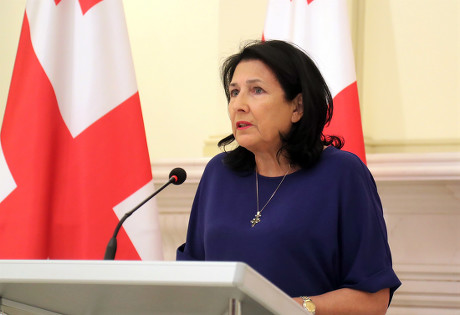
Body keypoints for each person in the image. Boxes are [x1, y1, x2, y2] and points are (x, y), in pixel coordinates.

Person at [177, 40, 401, 314]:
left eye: (256, 90)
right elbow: (191, 276)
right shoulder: (218, 174)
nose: (239, 105)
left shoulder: (342, 174)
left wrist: (294, 308)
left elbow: (373, 299)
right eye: (234, 92)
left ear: (298, 107)